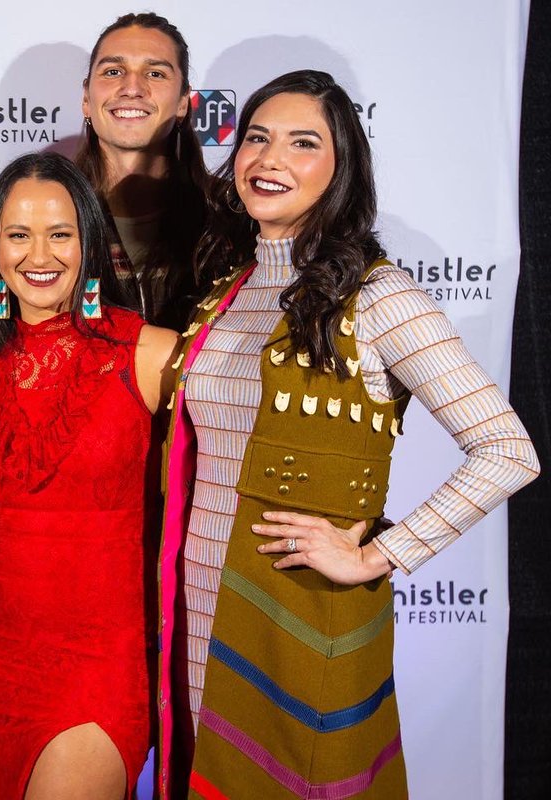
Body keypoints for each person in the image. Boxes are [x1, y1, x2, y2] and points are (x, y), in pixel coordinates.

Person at [155, 70, 540, 798]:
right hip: (203, 603)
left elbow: (506, 450)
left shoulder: (381, 294)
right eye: (257, 139)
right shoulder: (226, 287)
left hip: (297, 610)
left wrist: (378, 555)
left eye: (304, 143)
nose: (269, 159)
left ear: (340, 170)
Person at [0, 152, 180, 800]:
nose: (38, 253)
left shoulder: (150, 352)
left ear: (91, 244)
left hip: (96, 668)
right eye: (18, 234)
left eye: (59, 233)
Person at [77, 12, 210, 330]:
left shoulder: (229, 222)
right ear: (86, 98)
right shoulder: (42, 214)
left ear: (182, 102)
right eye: (113, 71)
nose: (132, 88)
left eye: (155, 73)